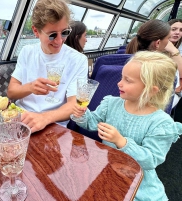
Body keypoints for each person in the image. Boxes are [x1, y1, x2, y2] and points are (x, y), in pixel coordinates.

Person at [72, 51, 182, 201]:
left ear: (151, 90)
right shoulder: (111, 103)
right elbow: (93, 123)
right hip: (107, 169)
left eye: (128, 80)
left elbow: (151, 159)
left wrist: (121, 142)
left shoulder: (161, 123)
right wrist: (82, 114)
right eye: (122, 77)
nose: (119, 83)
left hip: (137, 183)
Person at [7, 0, 88, 133]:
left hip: (54, 127)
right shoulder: (27, 52)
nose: (59, 40)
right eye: (52, 35)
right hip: (20, 118)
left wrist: (43, 118)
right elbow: (11, 91)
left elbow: (75, 104)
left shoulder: (78, 60)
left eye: (64, 32)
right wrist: (30, 87)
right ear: (36, 31)